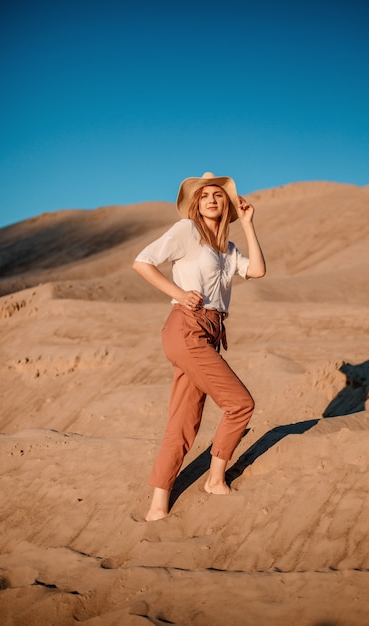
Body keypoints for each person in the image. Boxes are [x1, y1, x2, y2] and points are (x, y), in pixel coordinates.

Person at [132, 172, 266, 521]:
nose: (210, 199)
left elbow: (258, 271)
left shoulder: (228, 249)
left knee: (183, 421)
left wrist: (249, 224)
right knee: (240, 404)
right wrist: (178, 293)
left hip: (208, 333)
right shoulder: (186, 231)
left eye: (218, 196)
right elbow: (142, 262)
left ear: (228, 205)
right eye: (204, 195)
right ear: (195, 203)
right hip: (186, 327)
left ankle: (157, 506)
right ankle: (214, 480)